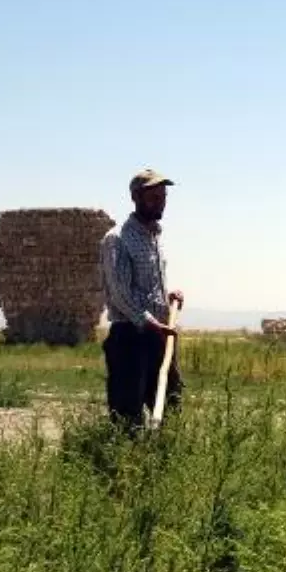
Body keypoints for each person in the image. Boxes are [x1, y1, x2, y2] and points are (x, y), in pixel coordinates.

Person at [99, 168, 186, 434]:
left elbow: (146, 288)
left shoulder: (154, 237)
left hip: (158, 336)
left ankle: (164, 463)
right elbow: (120, 293)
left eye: (163, 196)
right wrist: (152, 324)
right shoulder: (117, 239)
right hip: (130, 337)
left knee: (171, 405)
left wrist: (166, 297)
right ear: (136, 197)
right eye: (154, 197)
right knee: (127, 414)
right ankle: (125, 467)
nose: (161, 202)